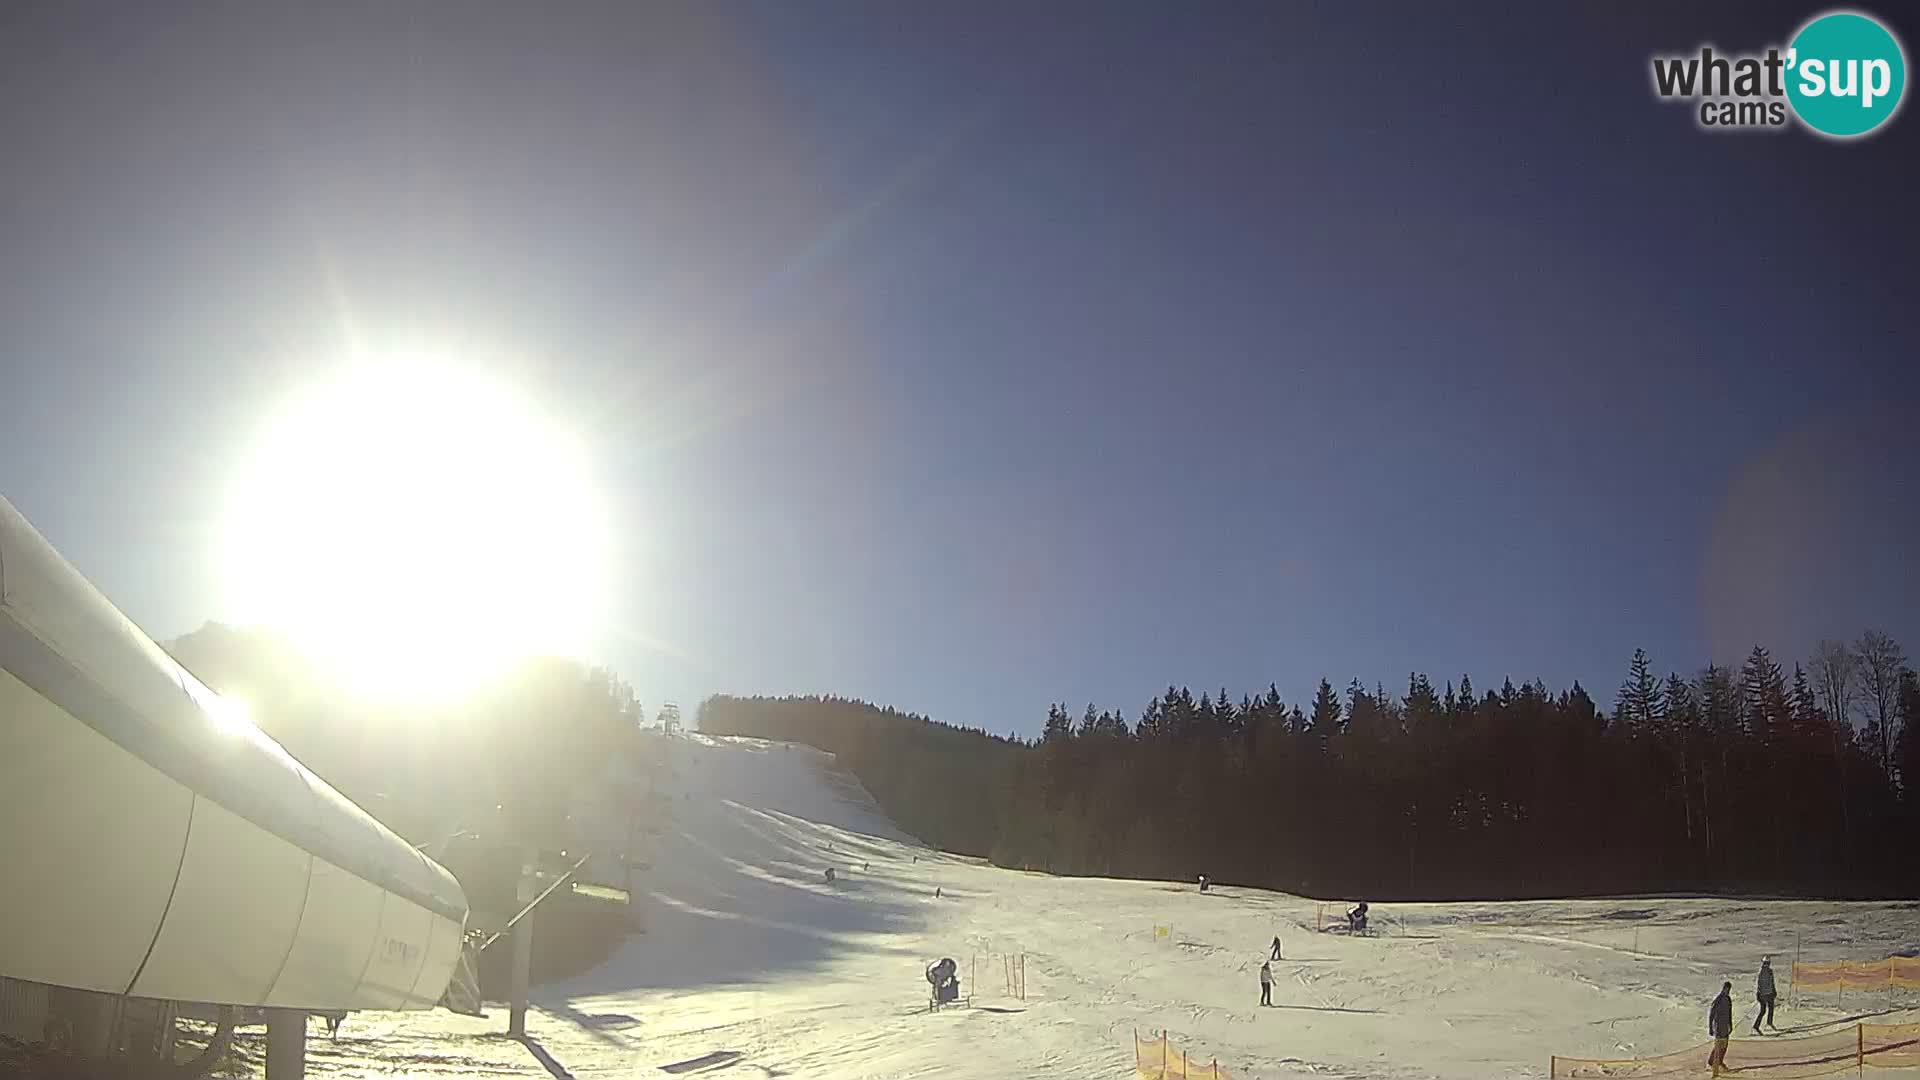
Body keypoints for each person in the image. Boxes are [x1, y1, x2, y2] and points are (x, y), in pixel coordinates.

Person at [1708, 981, 1734, 1075]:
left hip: (1725, 1025)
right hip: (1718, 1026)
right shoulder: (1718, 999)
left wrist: (1730, 1024)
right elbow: (1712, 1014)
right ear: (1723, 989)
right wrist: (1711, 1027)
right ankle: (1713, 1062)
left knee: (1725, 1045)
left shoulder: (1728, 999)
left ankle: (1720, 1061)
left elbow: (1729, 1013)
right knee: (1718, 1046)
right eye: (1726, 989)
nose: (1727, 991)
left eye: (1729, 990)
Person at [1753, 957, 1778, 1033]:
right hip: (1766, 994)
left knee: (1766, 1010)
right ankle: (1760, 1025)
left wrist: (1773, 990)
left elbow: (1770, 983)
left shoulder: (1764, 971)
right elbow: (1761, 984)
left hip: (1766, 994)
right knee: (1767, 1010)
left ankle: (1763, 1024)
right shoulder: (1765, 972)